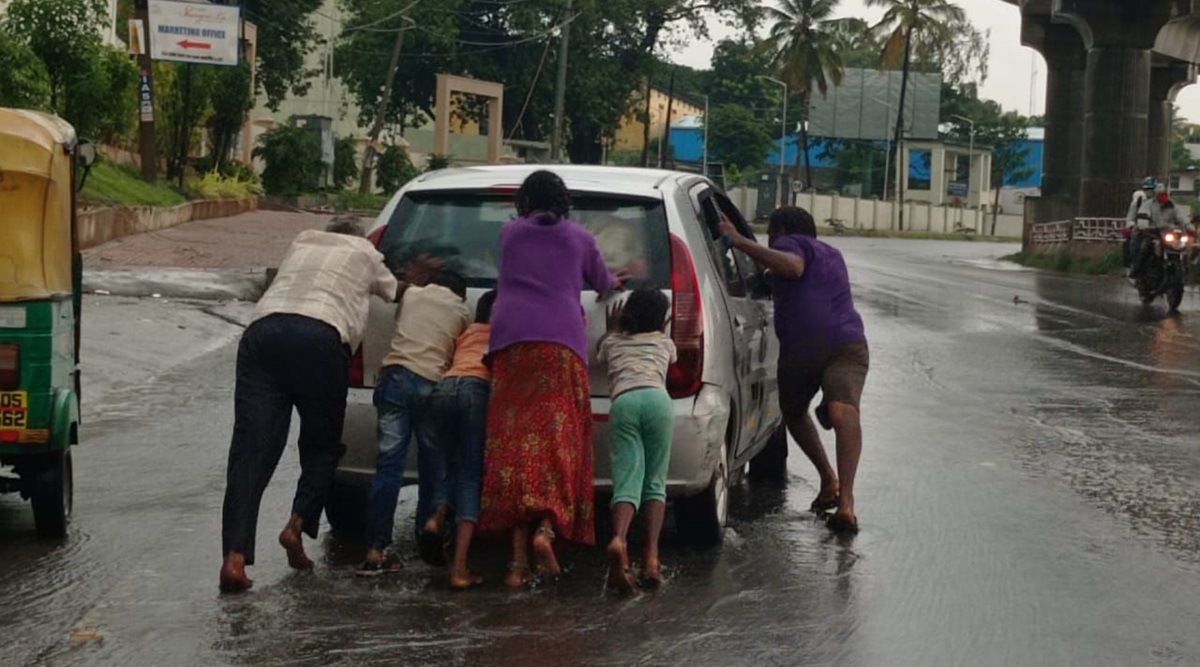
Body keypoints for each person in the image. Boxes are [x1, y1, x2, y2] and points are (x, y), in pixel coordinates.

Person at [219, 217, 410, 593]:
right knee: (321, 446)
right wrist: (420, 279)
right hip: (321, 337)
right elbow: (395, 292)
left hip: (263, 334)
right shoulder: (366, 252)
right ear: (357, 238)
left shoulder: (303, 240)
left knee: (251, 450)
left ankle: (235, 558)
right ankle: (296, 524)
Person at [479, 169, 623, 587]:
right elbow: (603, 283)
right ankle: (546, 530)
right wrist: (617, 279)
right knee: (558, 444)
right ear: (563, 202)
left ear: (525, 201)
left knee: (515, 448)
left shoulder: (510, 235)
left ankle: (518, 563)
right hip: (560, 345)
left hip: (510, 344)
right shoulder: (580, 238)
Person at [718, 206, 868, 535]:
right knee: (819, 411)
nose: (771, 242)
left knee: (819, 411)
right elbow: (787, 277)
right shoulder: (831, 253)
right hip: (839, 346)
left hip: (823, 349)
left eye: (772, 234)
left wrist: (740, 242)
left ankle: (840, 492)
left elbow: (794, 267)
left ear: (782, 231)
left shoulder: (793, 244)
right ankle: (836, 490)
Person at [359, 269, 471, 575]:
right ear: (460, 294)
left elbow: (400, 292)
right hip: (432, 385)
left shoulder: (412, 294)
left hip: (395, 377)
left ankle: (375, 548)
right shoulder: (462, 312)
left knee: (389, 467)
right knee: (433, 465)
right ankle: (427, 534)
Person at [597, 289, 676, 593]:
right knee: (655, 482)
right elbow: (673, 356)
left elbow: (600, 352)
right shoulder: (664, 342)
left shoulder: (614, 342)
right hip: (658, 401)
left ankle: (619, 542)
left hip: (625, 402)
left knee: (628, 480)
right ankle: (652, 558)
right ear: (662, 319)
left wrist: (610, 330)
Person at [425, 289, 498, 589]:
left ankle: (436, 516)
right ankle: (459, 568)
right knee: (470, 475)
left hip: (445, 387)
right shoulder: (500, 333)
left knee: (448, 463)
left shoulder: (466, 333)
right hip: (475, 390)